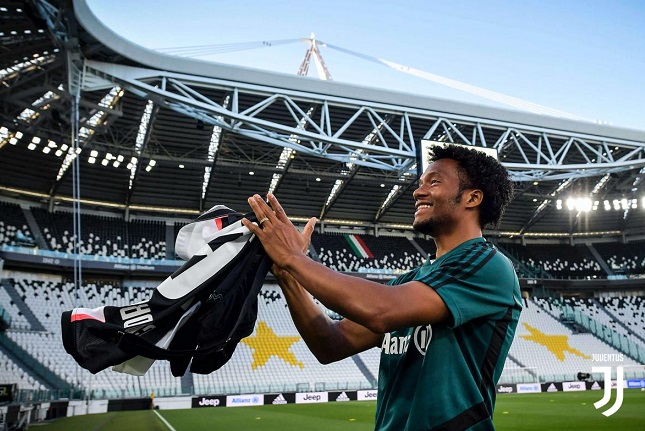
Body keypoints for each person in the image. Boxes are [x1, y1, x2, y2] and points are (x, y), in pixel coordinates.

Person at [242, 143, 522, 431]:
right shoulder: (408, 282)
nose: (417, 191)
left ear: (472, 197)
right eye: (421, 182)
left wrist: (293, 257)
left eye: (434, 182)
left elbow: (381, 309)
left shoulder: (488, 266)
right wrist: (288, 273)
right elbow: (330, 343)